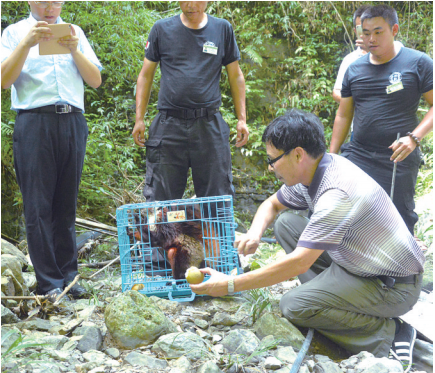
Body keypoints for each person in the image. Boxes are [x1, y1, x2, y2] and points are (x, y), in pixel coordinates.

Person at [191, 109, 424, 371]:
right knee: (287, 224)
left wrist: (230, 285)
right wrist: (254, 233)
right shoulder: (316, 169)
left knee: (293, 305)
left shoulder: (336, 193)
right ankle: (327, 300)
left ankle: (390, 333)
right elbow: (272, 204)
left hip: (391, 286)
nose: (270, 168)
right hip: (357, 265)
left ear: (298, 154)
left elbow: (299, 264)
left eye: (273, 160)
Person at [1, 1, 102, 299]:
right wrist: (27, 43)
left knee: (65, 203)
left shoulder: (75, 32)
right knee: (38, 205)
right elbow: (4, 81)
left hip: (72, 120)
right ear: (30, 1)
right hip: (34, 121)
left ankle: (69, 277)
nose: (49, 8)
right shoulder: (14, 33)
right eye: (43, 2)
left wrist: (74, 50)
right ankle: (49, 282)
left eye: (56, 2)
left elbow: (95, 80)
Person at [329, 5, 433, 234]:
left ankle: (404, 268)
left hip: (398, 156)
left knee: (398, 220)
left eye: (378, 32)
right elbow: (344, 114)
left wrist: (414, 138)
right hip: (359, 153)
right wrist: (332, 155)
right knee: (342, 209)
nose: (371, 39)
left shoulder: (418, 62)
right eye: (366, 33)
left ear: (394, 29)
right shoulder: (354, 69)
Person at [132, 1, 248, 202]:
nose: (191, 5)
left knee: (217, 197)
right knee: (161, 200)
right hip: (169, 125)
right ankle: (163, 234)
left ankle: (214, 233)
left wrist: (242, 119)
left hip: (209, 125)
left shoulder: (222, 29)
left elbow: (236, 76)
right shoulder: (162, 29)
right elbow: (145, 75)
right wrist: (139, 119)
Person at [332, 5, 370, 104]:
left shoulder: (391, 51)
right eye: (361, 28)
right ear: (355, 31)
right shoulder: (350, 59)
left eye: (368, 28)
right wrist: (357, 105)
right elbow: (337, 92)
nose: (365, 33)